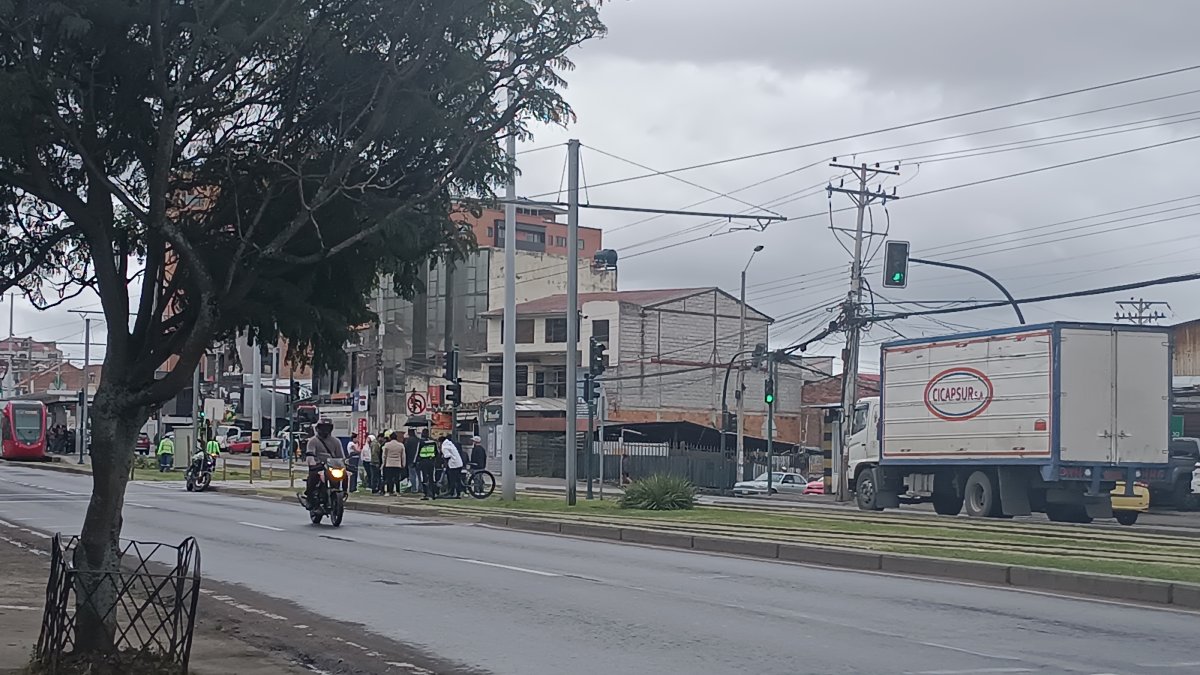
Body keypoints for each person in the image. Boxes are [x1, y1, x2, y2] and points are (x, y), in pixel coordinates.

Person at [305, 418, 345, 508]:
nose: (325, 430)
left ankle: (343, 493)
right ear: (318, 429)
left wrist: (345, 464)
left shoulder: (336, 441)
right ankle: (310, 499)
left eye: (327, 428)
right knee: (313, 477)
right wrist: (312, 463)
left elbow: (341, 456)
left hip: (332, 467)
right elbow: (310, 454)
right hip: (318, 467)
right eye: (323, 428)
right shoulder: (313, 441)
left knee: (343, 476)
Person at [381, 430, 406, 495]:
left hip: (389, 464)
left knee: (389, 478)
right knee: (397, 478)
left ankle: (389, 491)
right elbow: (403, 456)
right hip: (397, 464)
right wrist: (403, 464)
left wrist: (383, 464)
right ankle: (397, 491)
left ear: (390, 438)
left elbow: (384, 455)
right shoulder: (401, 445)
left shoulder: (387, 445)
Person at [416, 433, 439, 500]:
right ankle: (433, 494)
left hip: (423, 462)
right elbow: (437, 452)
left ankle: (426, 494)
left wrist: (416, 461)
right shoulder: (433, 443)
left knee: (424, 478)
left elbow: (418, 452)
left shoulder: (421, 442)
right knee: (432, 478)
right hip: (431, 462)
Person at [440, 434, 464, 498]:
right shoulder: (450, 443)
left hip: (453, 465)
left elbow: (447, 456)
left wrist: (445, 465)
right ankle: (458, 493)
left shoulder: (444, 446)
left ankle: (452, 493)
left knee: (452, 479)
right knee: (457, 479)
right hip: (458, 463)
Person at [404, 428, 421, 494]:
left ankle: (414, 489)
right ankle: (420, 487)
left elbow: (406, 450)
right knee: (419, 475)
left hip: (410, 460)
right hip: (418, 460)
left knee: (412, 475)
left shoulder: (408, 441)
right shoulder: (418, 440)